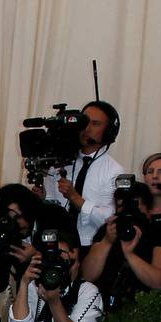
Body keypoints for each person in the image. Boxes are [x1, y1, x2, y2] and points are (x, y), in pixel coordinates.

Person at [45, 101, 124, 246]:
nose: (86, 128)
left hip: (93, 245)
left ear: (108, 131)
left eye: (95, 124)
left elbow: (108, 220)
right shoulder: (59, 163)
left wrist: (75, 197)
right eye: (84, 122)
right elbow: (50, 204)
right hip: (59, 244)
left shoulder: (114, 171)